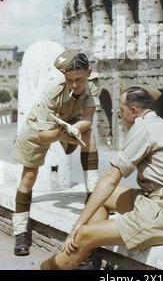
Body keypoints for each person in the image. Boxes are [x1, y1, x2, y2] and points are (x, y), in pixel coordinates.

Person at [40, 86, 163, 270]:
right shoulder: (159, 123)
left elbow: (111, 178)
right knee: (106, 197)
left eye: (122, 111)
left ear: (134, 111)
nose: (120, 117)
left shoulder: (143, 128)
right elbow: (108, 187)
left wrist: (77, 226)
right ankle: (85, 257)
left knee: (83, 234)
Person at [12, 50, 100, 257]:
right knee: (29, 177)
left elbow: (88, 117)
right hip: (40, 129)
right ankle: (20, 232)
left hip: (68, 124)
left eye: (79, 79)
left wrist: (77, 128)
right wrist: (62, 134)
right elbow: (43, 136)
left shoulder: (93, 84)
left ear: (89, 73)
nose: (75, 85)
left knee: (89, 137)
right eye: (69, 80)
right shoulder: (53, 91)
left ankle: (93, 195)